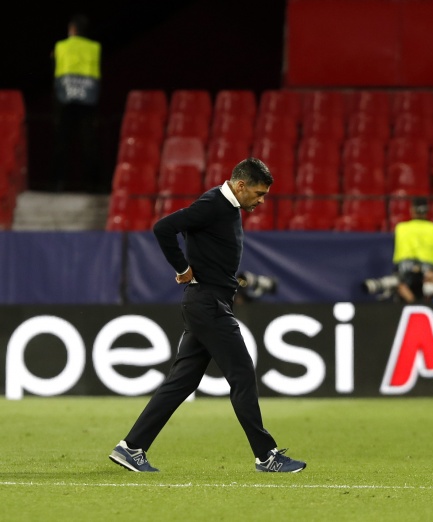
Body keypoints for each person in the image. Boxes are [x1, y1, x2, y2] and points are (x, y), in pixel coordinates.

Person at [109, 158, 306, 473]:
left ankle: (131, 447)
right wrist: (182, 268)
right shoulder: (214, 204)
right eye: (258, 193)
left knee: (182, 381)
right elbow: (163, 228)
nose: (261, 201)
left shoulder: (225, 207)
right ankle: (266, 456)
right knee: (242, 374)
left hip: (207, 303)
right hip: (208, 304)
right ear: (240, 185)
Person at [50, 14, 103, 192]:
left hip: (65, 99)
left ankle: (58, 183)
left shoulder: (60, 46)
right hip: (88, 100)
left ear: (72, 30)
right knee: (89, 143)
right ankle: (92, 185)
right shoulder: (95, 47)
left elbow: (55, 67)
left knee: (61, 142)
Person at [391, 196, 433, 304]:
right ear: (427, 210)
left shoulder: (400, 228)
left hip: (405, 266)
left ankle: (412, 303)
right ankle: (425, 303)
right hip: (430, 268)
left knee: (399, 280)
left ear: (412, 210)